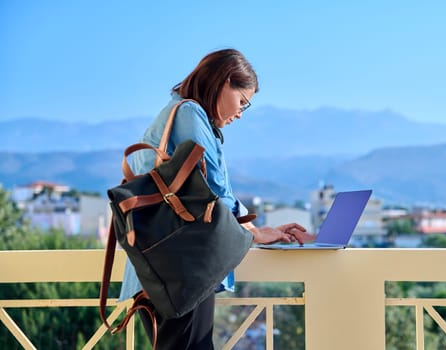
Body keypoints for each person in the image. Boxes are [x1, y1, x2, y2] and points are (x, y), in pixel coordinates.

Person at [119, 48, 312, 350]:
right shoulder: (189, 113)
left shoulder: (181, 113)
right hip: (180, 269)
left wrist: (252, 228)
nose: (239, 113)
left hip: (167, 270)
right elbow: (213, 189)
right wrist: (255, 232)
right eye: (242, 103)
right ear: (223, 82)